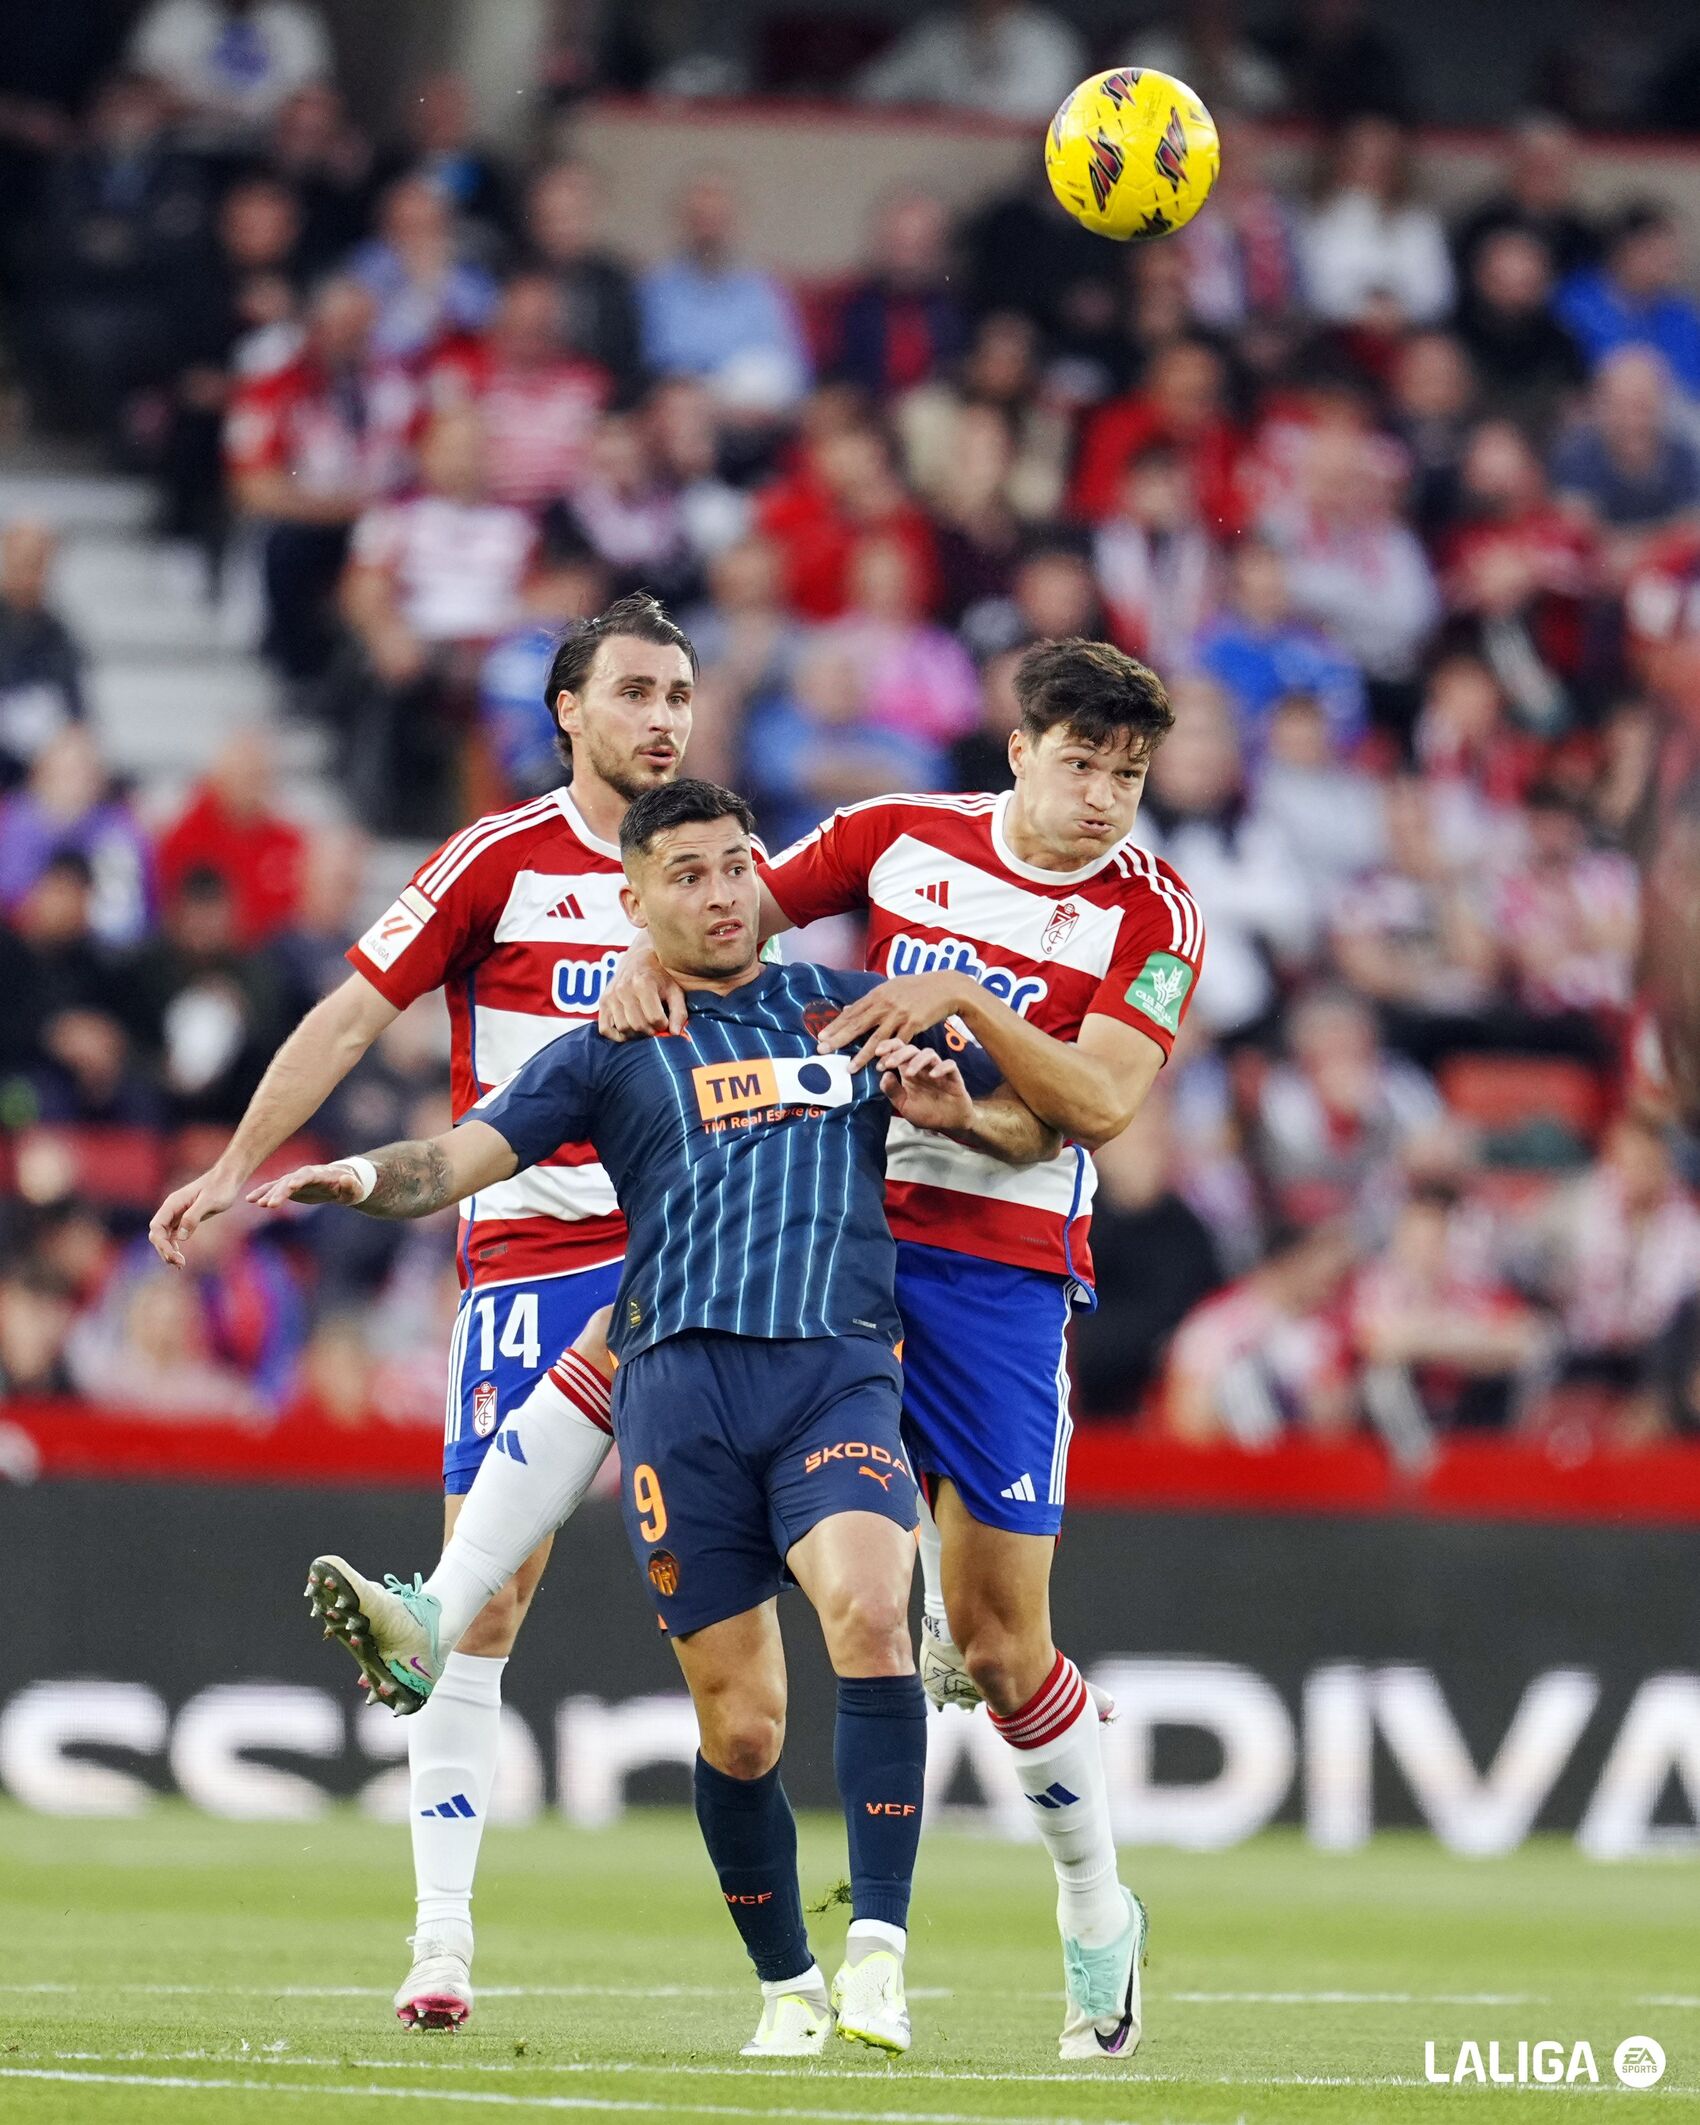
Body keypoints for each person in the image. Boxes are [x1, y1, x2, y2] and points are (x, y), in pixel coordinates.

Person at [256, 778, 1056, 2058]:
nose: (724, 893)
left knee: (868, 1614)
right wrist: (353, 1177)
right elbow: (458, 1160)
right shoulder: (605, 1048)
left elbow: (1030, 1129)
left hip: (836, 1371)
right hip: (677, 1404)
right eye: (687, 875)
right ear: (634, 903)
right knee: (742, 1728)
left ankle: (878, 1956)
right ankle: (787, 1985)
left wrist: (960, 1106)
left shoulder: (849, 1006)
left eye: (737, 866)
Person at [604, 636, 1205, 2061]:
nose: (1103, 799)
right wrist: (637, 959)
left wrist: (967, 1016)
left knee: (998, 1644)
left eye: (1128, 776)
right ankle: (456, 1591)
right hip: (836, 1242)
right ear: (1019, 750)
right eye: (1081, 764)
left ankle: (1096, 1903)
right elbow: (721, 906)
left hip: (1002, 1275)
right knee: (612, 1334)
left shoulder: (1155, 911)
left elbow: (1096, 1107)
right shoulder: (894, 836)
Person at [147, 593, 697, 2033]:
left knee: (753, 1605)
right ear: (568, 711)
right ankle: (441, 1942)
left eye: (678, 695)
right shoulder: (495, 861)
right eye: (633, 691)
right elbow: (349, 1013)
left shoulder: (721, 869)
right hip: (527, 1260)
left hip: (692, 1258)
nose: (660, 719)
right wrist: (238, 1162)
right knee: (486, 1597)